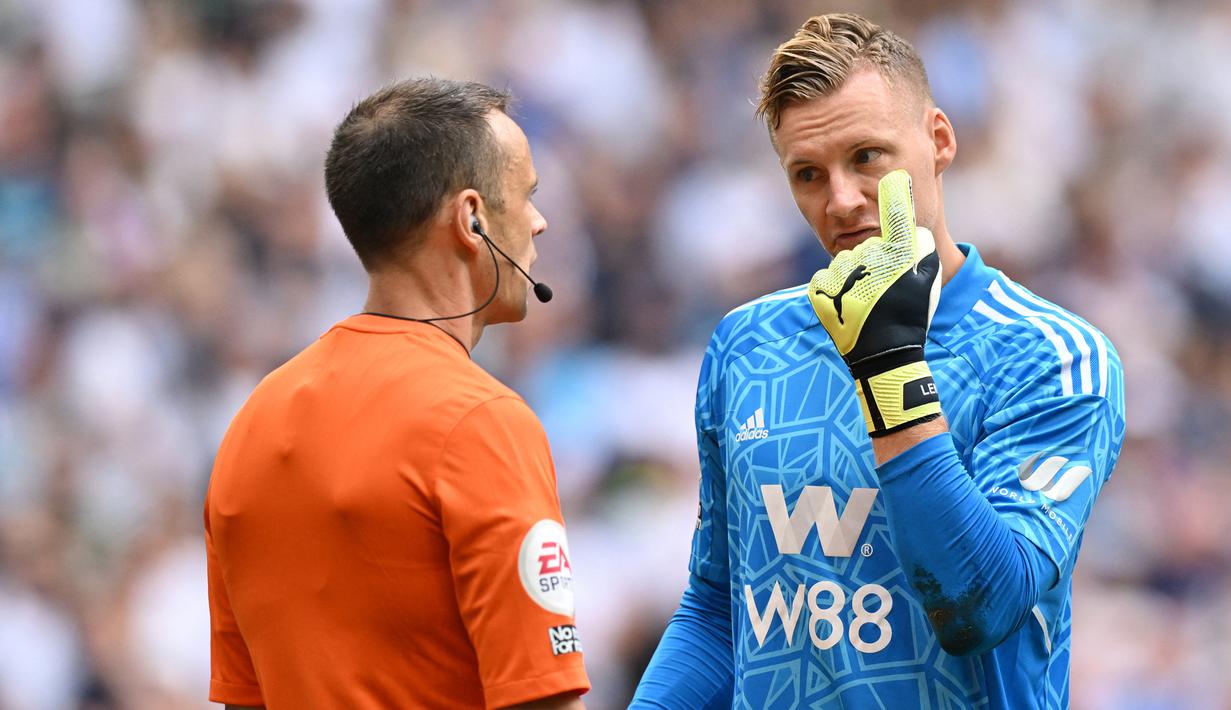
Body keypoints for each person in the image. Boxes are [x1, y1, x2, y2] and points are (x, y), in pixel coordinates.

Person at [632, 13, 1125, 709]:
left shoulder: (1048, 355)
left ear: (939, 140)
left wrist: (887, 365)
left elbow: (980, 607)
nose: (839, 201)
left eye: (866, 157)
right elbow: (719, 609)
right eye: (807, 174)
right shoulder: (747, 344)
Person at [204, 78, 589, 709]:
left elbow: (244, 700)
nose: (540, 222)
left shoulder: (252, 422)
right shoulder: (482, 421)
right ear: (473, 219)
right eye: (528, 195)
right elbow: (542, 699)